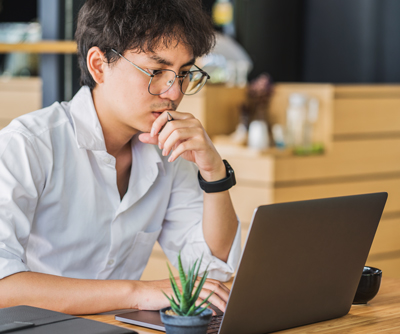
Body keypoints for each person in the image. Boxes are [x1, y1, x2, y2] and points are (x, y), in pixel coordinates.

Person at [0, 0, 241, 315]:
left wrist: (214, 173)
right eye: (156, 71)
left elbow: (212, 268)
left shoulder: (171, 149)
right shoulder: (27, 146)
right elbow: (4, 288)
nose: (173, 92)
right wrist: (138, 293)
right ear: (99, 65)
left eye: (182, 73)